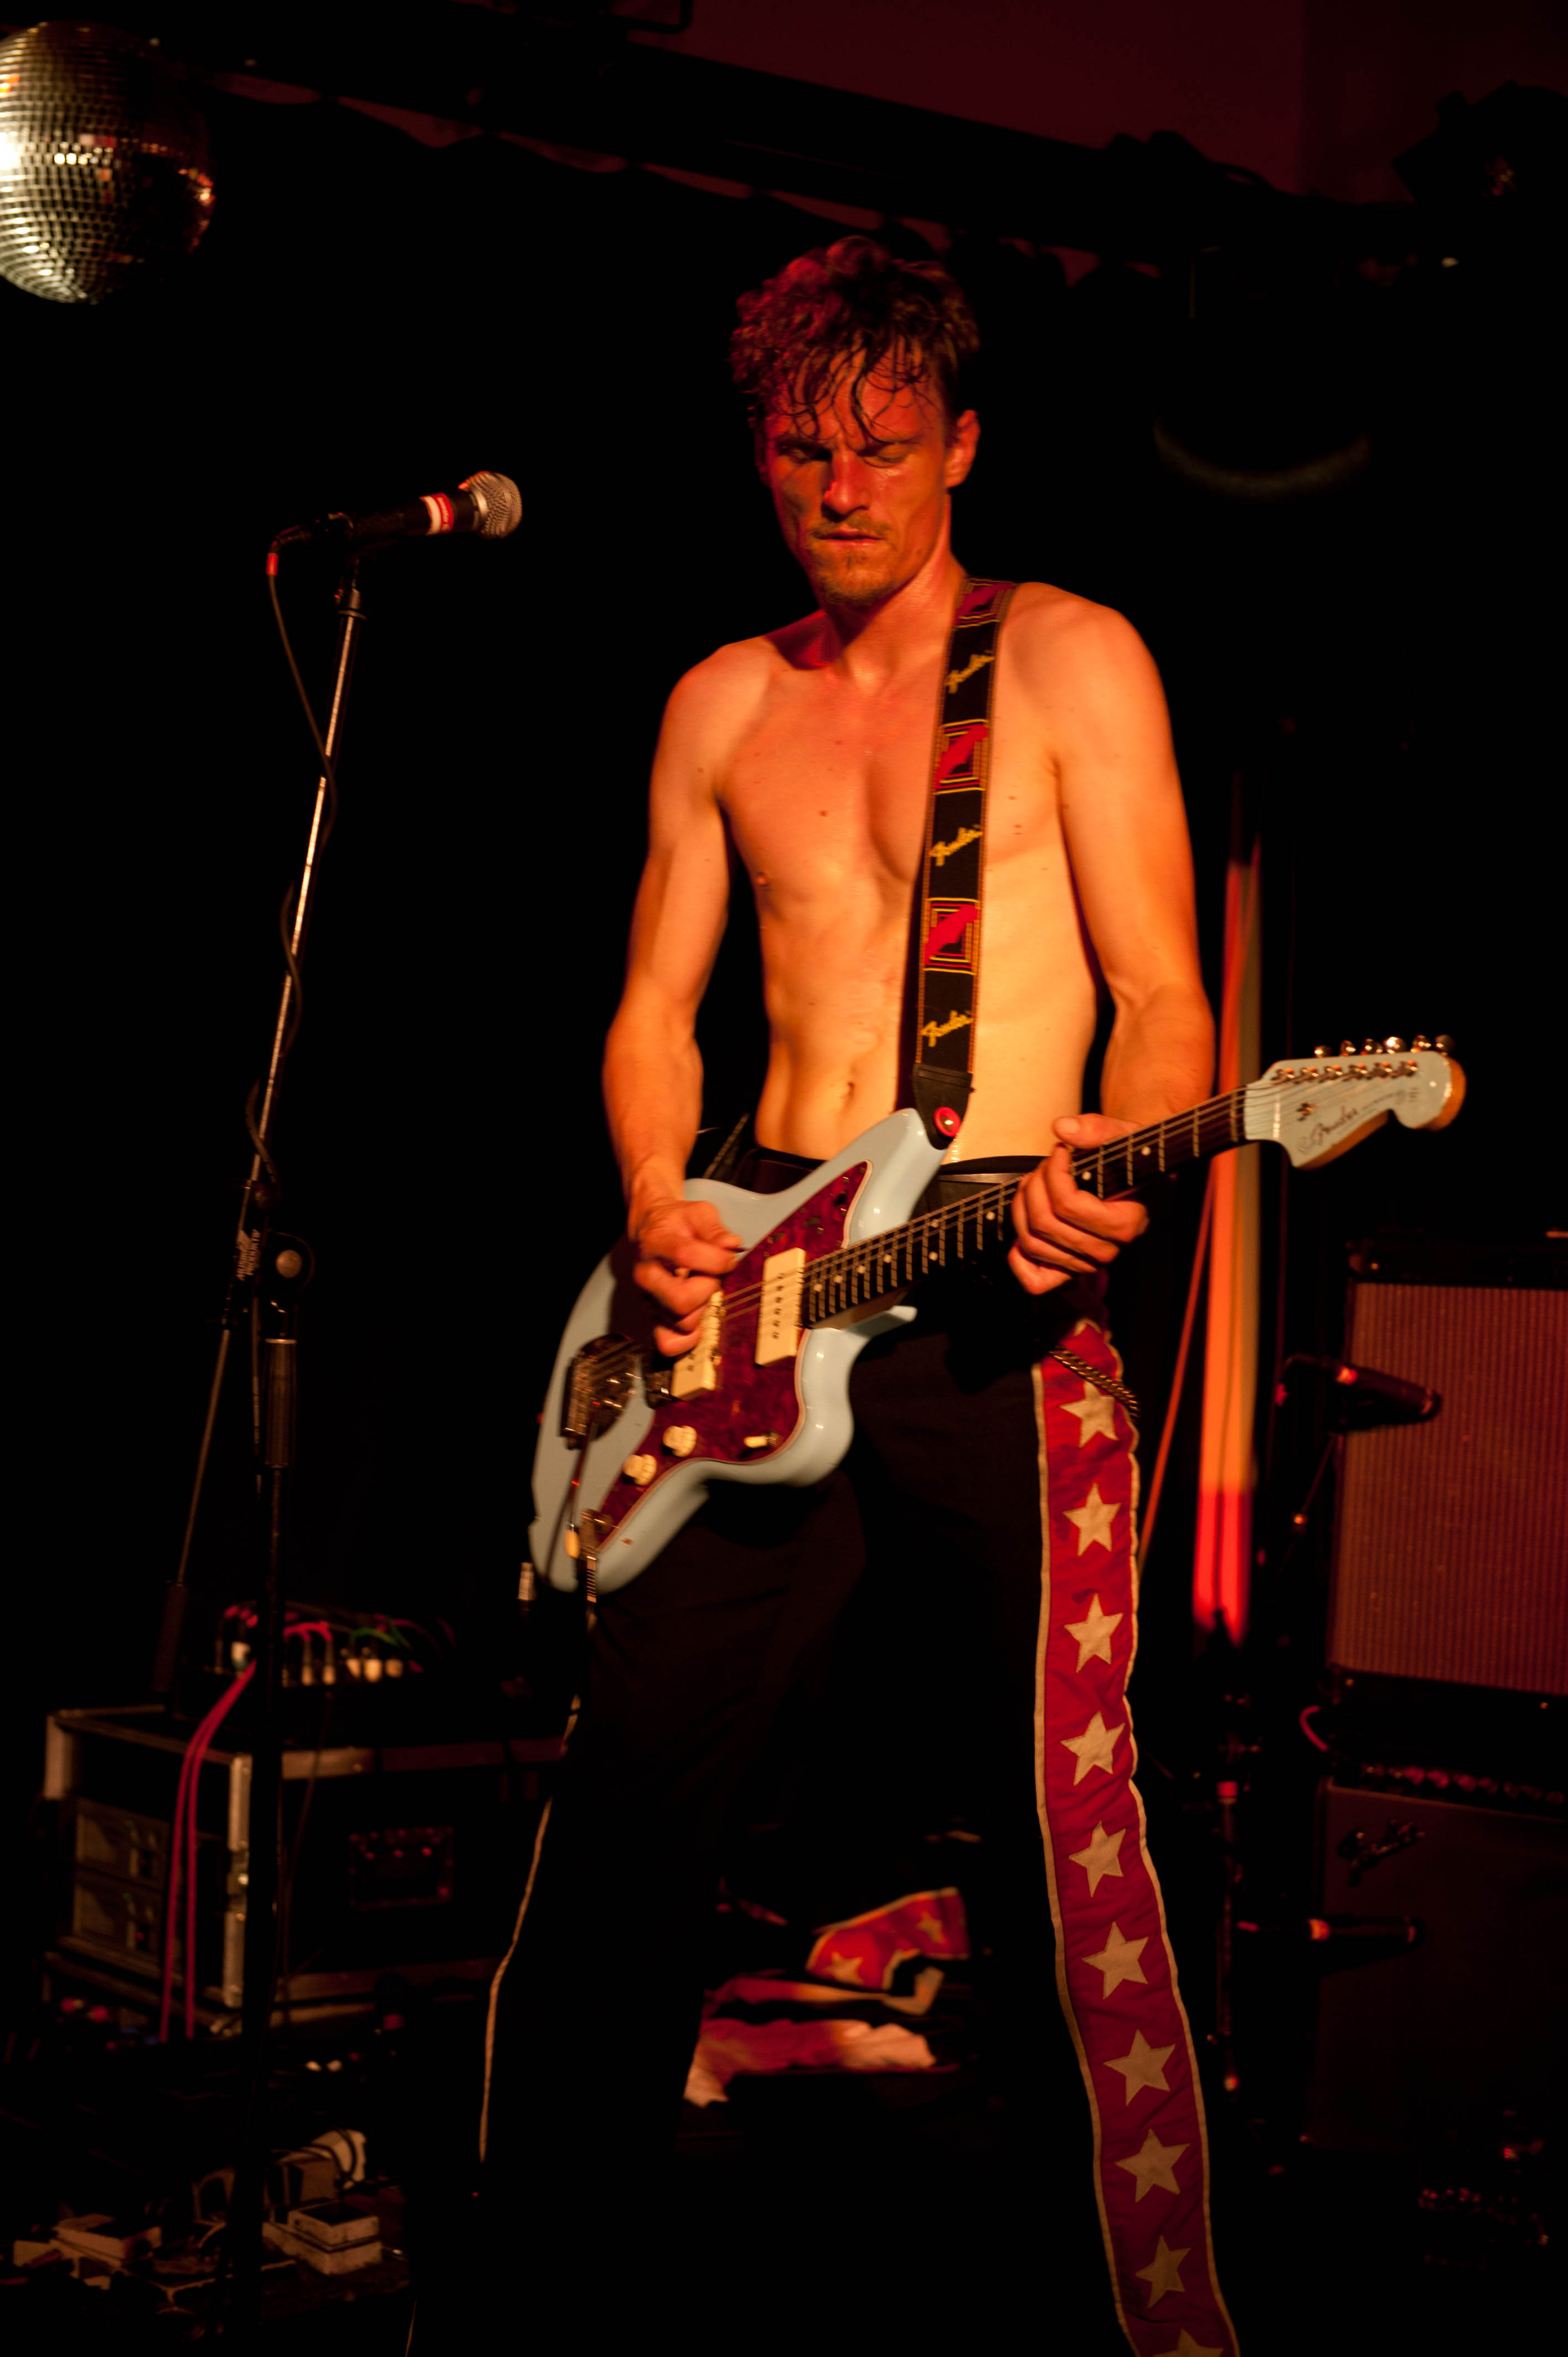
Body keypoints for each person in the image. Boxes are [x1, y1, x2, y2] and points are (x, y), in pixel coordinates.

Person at [480, 239, 1239, 2355]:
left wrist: (1116, 1174)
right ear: (760, 452)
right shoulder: (721, 699)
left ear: (962, 445)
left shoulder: (1072, 659)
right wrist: (658, 1197)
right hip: (751, 1294)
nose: (843, 486)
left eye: (886, 449)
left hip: (993, 1272)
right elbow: (654, 1010)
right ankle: (525, 2291)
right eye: (806, 448)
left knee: (1062, 1828)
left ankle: (1145, 2317)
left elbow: (1169, 1003)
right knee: (627, 1818)